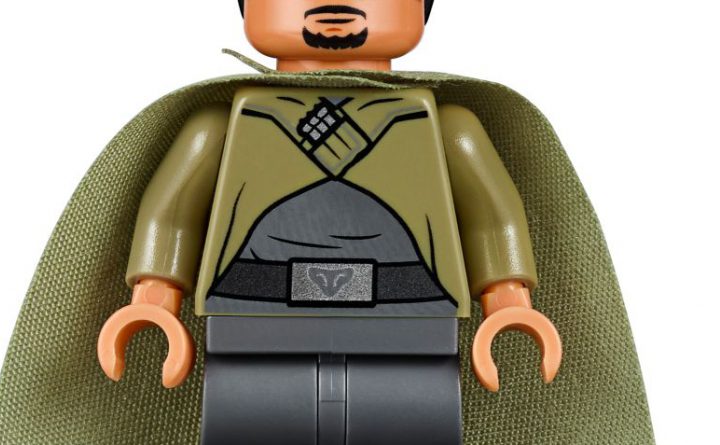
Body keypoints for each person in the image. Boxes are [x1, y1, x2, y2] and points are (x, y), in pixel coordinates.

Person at [98, 2, 561, 444]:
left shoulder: (445, 126)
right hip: (252, 320)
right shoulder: (224, 124)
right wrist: (154, 299)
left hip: (412, 323)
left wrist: (508, 302)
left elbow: (491, 218)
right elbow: (172, 215)